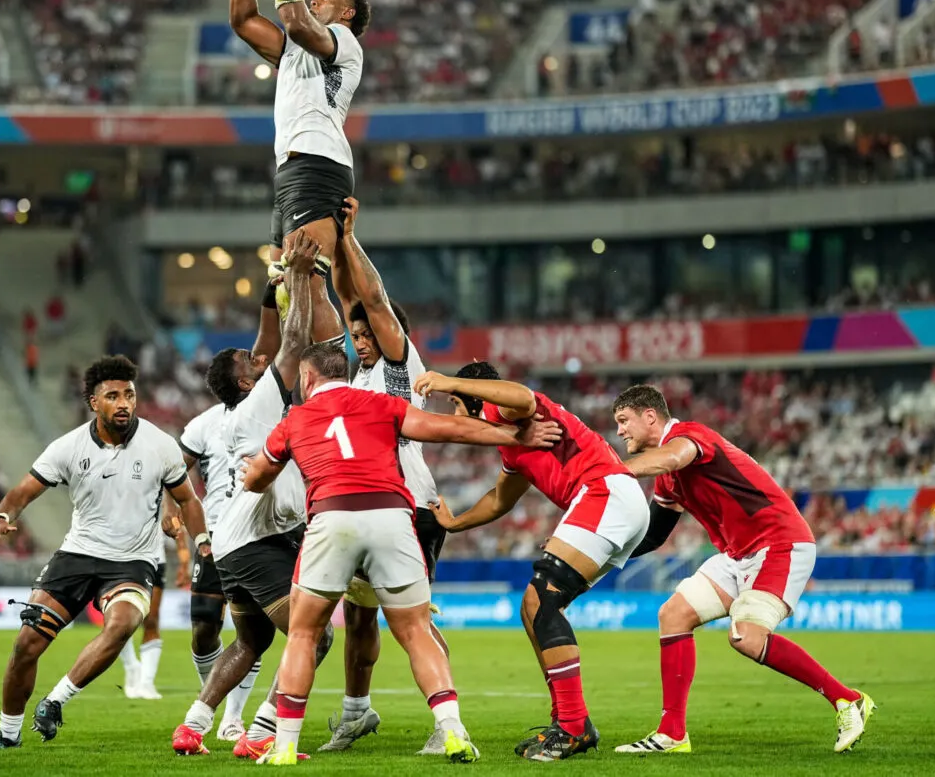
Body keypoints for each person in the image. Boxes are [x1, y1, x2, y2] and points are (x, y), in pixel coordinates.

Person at [241, 343, 562, 765]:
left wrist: (251, 471)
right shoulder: (382, 403)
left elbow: (257, 479)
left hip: (332, 517)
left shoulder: (296, 418)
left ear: (307, 378)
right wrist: (515, 435)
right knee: (414, 631)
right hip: (393, 516)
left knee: (303, 633)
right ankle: (452, 730)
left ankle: (283, 747)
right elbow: (447, 429)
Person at [610, 384, 874, 755]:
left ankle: (848, 700)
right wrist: (600, 555)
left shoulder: (689, 437)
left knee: (746, 637)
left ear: (650, 417)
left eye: (624, 421)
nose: (620, 431)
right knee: (673, 615)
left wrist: (607, 472)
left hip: (779, 543)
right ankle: (672, 734)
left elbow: (672, 457)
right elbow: (654, 535)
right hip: (738, 555)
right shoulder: (666, 475)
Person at [0, 355, 210, 749]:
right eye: (113, 396)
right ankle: (7, 736)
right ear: (94, 402)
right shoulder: (68, 447)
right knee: (27, 643)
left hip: (133, 561)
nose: (124, 403)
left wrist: (202, 543)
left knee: (123, 624)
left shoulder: (160, 445)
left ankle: (55, 700)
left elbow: (189, 500)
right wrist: (1, 515)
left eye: (129, 394)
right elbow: (22, 493)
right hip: (77, 556)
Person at [418, 363, 650, 760]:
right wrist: (455, 523)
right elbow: (500, 499)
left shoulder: (503, 410)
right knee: (532, 608)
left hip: (603, 493)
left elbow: (523, 397)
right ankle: (568, 719)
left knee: (542, 599)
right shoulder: (512, 443)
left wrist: (446, 381)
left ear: (477, 395)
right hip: (611, 498)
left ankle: (574, 726)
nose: (458, 415)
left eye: (458, 404)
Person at [171, 234, 329, 759]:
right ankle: (261, 732)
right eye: (248, 359)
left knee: (252, 641)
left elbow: (281, 342)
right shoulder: (261, 401)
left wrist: (279, 284)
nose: (257, 358)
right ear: (243, 381)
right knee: (317, 636)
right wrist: (302, 278)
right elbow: (297, 342)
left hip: (240, 537)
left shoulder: (246, 412)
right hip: (258, 541)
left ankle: (193, 725)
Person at [320, 196, 447, 755]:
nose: (361, 336)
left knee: (409, 621)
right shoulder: (361, 374)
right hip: (370, 505)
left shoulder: (400, 364)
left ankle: (448, 721)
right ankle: (356, 713)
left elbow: (368, 297)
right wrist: (331, 266)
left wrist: (348, 237)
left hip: (410, 505)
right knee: (359, 617)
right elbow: (352, 299)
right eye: (357, 333)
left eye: (370, 330)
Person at [229, 0, 369, 346]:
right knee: (284, 285)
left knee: (307, 278)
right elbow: (243, 21)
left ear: (345, 15)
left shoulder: (344, 43)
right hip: (292, 167)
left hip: (318, 161)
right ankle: (293, 381)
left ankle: (333, 383)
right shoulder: (295, 49)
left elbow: (295, 20)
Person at [178, 398, 261, 741]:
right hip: (213, 536)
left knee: (251, 630)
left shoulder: (267, 413)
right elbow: (175, 469)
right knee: (203, 627)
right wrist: (177, 506)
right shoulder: (203, 423)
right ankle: (215, 694)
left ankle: (232, 717)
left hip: (256, 534)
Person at [119, 503, 193, 700]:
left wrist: (185, 561)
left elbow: (176, 524)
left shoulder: (160, 484)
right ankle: (132, 667)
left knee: (151, 620)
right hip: (119, 557)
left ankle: (146, 683)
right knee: (120, 622)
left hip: (154, 559)